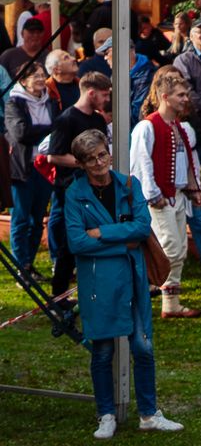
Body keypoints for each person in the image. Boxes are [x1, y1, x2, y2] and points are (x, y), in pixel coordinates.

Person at [62, 130, 184, 439]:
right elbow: (76, 242)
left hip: (132, 279)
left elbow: (142, 227)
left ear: (109, 153)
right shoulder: (75, 194)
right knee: (102, 350)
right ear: (81, 164)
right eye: (91, 159)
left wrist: (101, 233)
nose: (99, 163)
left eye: (102, 155)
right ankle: (106, 414)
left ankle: (149, 413)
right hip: (98, 283)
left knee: (143, 347)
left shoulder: (129, 184)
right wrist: (123, 242)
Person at [130, 70, 201, 318]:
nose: (185, 99)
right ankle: (144, 294)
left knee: (178, 248)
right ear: (165, 97)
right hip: (160, 198)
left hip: (177, 195)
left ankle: (170, 304)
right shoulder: (148, 126)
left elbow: (186, 160)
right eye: (180, 95)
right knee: (168, 246)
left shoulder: (178, 126)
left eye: (185, 94)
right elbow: (141, 163)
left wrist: (193, 188)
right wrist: (152, 194)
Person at [42, 70, 115, 298]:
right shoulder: (67, 119)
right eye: (104, 95)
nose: (106, 100)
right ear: (91, 93)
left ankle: (96, 289)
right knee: (68, 243)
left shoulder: (98, 120)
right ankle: (60, 295)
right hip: (70, 188)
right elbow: (53, 156)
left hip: (97, 187)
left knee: (99, 237)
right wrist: (85, 163)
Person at [6, 59, 57, 273]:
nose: (40, 79)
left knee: (38, 220)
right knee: (21, 219)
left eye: (42, 75)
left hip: (44, 168)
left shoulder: (50, 102)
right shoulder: (14, 104)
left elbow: (58, 129)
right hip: (22, 169)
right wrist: (48, 130)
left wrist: (40, 130)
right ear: (23, 81)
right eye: (35, 76)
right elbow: (20, 133)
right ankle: (22, 267)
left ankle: (29, 263)